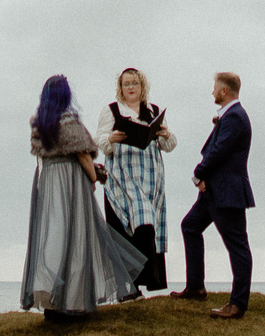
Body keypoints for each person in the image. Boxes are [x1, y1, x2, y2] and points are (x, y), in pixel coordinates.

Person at [21, 73, 151, 318]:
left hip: (49, 181)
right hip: (71, 182)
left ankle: (52, 302)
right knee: (80, 238)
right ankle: (73, 302)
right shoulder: (69, 122)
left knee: (54, 240)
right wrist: (94, 177)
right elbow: (82, 155)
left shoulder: (39, 123)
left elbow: (42, 156)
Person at [174, 71, 253, 319]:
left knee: (237, 246)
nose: (212, 92)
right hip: (213, 192)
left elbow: (218, 152)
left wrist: (198, 174)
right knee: (190, 226)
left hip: (227, 193)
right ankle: (196, 287)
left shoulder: (236, 117)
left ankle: (238, 304)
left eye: (214, 88)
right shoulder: (228, 116)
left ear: (224, 91)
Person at [99, 68, 175, 293]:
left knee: (147, 224)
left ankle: (148, 281)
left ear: (142, 86)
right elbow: (100, 140)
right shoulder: (112, 111)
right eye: (126, 84)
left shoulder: (154, 111)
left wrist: (165, 135)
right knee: (135, 224)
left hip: (150, 178)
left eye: (135, 83)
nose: (131, 87)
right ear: (120, 88)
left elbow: (169, 145)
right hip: (122, 177)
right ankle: (129, 285)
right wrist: (111, 138)